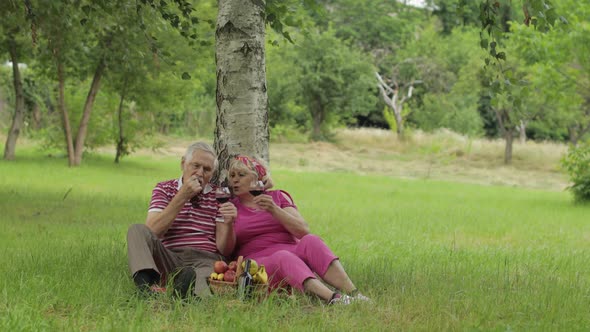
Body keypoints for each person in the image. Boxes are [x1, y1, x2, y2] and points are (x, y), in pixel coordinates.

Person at [221, 155, 370, 305]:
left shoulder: (277, 197)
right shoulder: (230, 207)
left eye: (241, 175)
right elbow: (225, 251)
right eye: (232, 176)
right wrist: (228, 224)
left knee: (312, 240)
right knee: (283, 256)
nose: (235, 180)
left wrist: (274, 209)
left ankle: (355, 294)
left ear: (258, 177)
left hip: (293, 253)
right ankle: (334, 299)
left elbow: (302, 231)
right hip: (258, 264)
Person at [126, 142, 237, 298]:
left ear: (212, 173)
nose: (200, 173)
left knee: (202, 290)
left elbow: (225, 249)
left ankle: (184, 292)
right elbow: (153, 230)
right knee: (137, 230)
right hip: (170, 256)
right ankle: (146, 288)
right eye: (195, 165)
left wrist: (229, 223)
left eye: (207, 169)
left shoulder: (219, 195)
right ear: (183, 164)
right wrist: (183, 196)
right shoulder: (164, 188)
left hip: (205, 259)